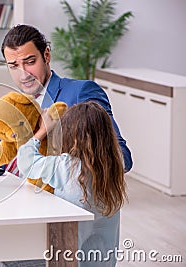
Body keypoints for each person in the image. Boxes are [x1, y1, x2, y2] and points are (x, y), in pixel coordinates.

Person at [0, 24, 132, 173]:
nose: (23, 74)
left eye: (30, 62)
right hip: (10, 201)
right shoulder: (11, 106)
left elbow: (122, 157)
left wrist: (68, 166)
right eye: (14, 66)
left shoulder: (80, 92)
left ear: (46, 55)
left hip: (59, 201)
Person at [17, 101, 127, 266]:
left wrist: (42, 131)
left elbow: (26, 161)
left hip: (67, 257)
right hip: (104, 260)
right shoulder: (114, 165)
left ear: (71, 136)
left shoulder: (66, 167)